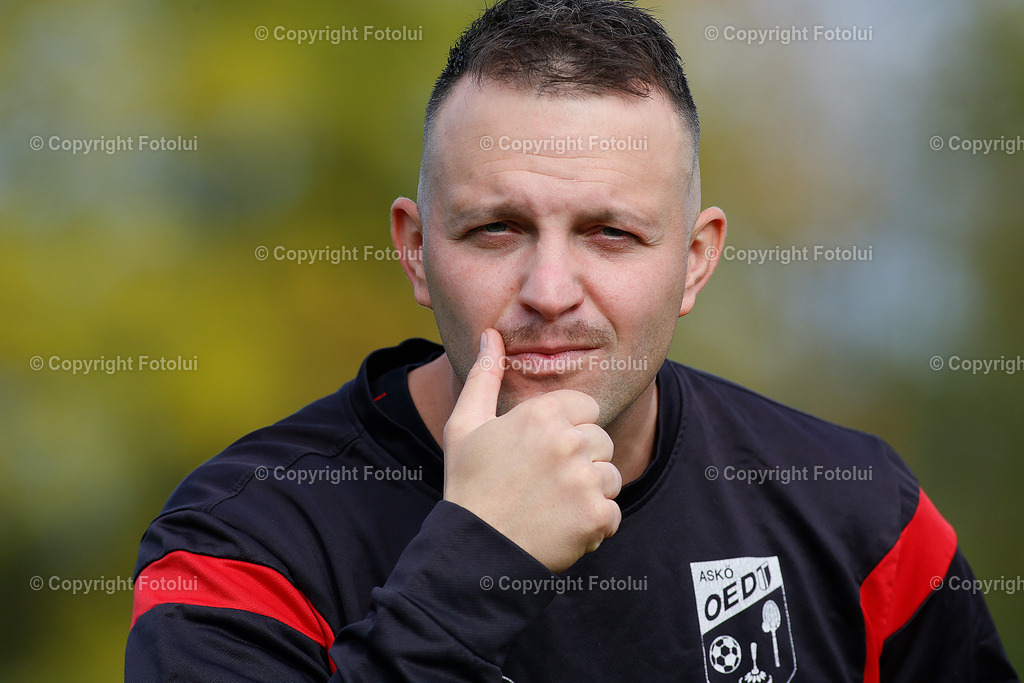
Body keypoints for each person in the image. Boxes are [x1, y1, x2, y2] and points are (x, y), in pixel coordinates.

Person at [125, 0, 1018, 680]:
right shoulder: (241, 541)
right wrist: (475, 561)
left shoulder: (862, 518)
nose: (550, 293)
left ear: (698, 260)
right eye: (496, 229)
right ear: (416, 249)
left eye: (610, 233)